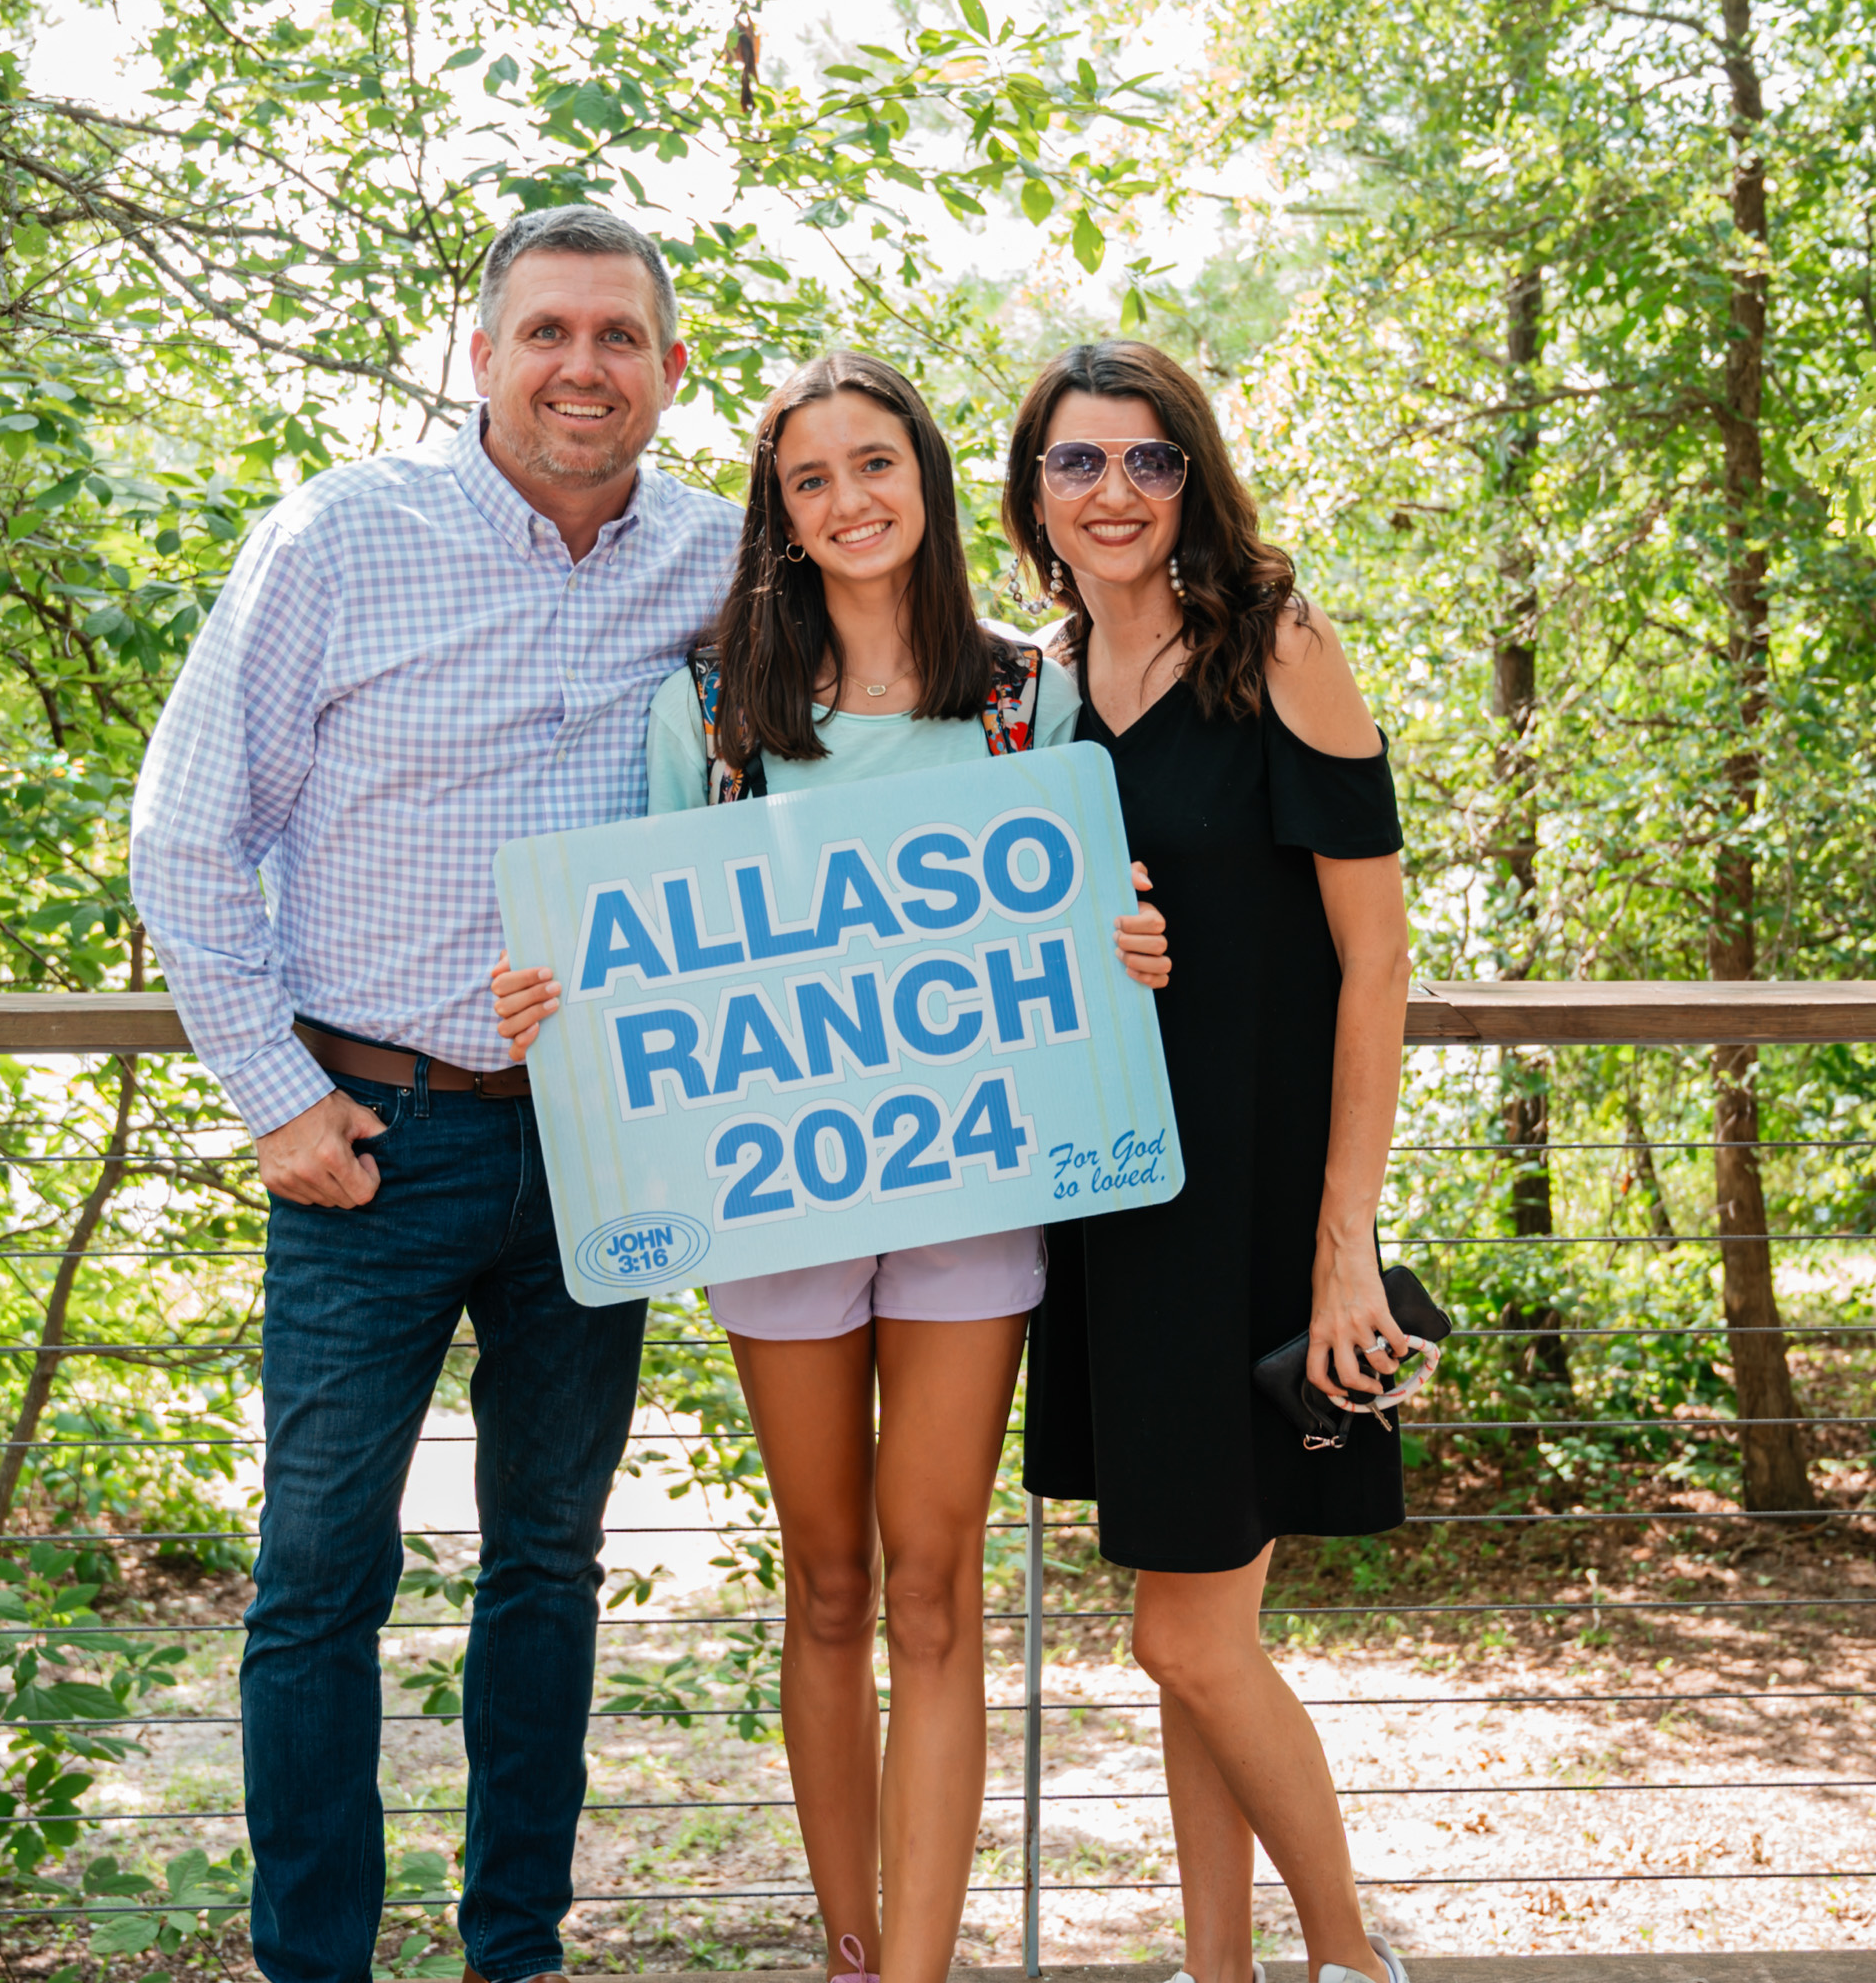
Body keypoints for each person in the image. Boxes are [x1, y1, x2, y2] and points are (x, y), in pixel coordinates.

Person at [489, 350, 1168, 1983]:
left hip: (974, 1191)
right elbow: (639, 965)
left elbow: (1083, 929)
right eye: (810, 479)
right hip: (774, 1205)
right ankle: (851, 1950)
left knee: (937, 1591)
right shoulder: (710, 707)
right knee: (830, 1586)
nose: (849, 499)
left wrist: (1127, 943)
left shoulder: (1029, 701)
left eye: (877, 465)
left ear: (927, 483)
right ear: (780, 516)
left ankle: (917, 1975)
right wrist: (554, 995)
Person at [129, 205, 741, 1983]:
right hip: (366, 1142)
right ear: (481, 357)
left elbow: (909, 673)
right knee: (319, 1575)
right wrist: (273, 1098)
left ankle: (514, 1956)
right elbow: (186, 837)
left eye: (620, 338)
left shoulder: (721, 560)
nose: (582, 367)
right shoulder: (336, 537)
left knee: (548, 1563)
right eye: (547, 332)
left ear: (669, 371)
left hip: (598, 1141)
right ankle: (315, 1964)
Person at [1004, 341, 1416, 1983]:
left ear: (1197, 478)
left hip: (1256, 1202)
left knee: (1185, 1629)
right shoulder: (1032, 688)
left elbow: (1375, 963)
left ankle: (1349, 1963)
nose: (1113, 492)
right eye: (1076, 462)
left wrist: (1345, 1248)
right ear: (1032, 491)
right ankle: (1218, 1969)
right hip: (1111, 1196)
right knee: (1195, 1635)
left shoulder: (1283, 651)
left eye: (1149, 461)